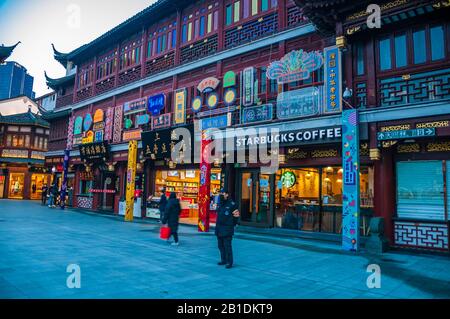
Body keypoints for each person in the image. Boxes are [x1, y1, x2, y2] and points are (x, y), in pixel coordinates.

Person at [215, 189, 240, 269]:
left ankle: (229, 262)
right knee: (220, 245)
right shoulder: (219, 204)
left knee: (227, 246)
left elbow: (236, 216)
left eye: (223, 193)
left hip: (227, 228)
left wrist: (232, 225)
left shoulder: (232, 204)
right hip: (219, 228)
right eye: (220, 193)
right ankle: (223, 259)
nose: (221, 194)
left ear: (227, 195)